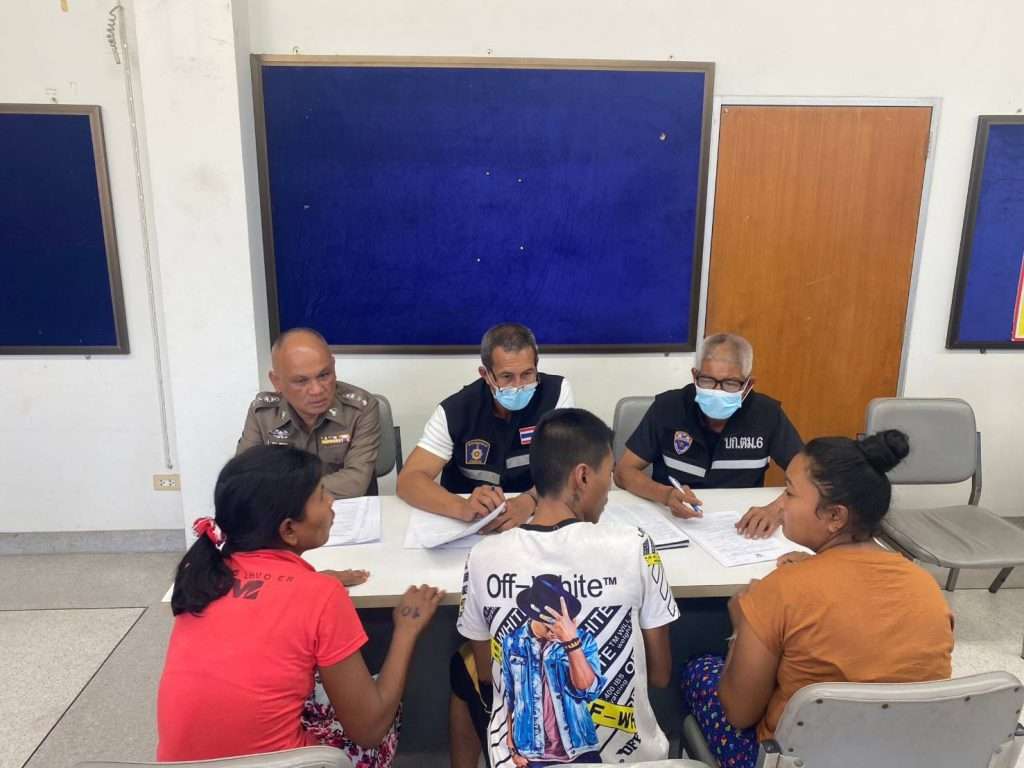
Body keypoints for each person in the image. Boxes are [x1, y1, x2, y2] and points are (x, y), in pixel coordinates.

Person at [680, 430, 954, 768]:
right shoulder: (926, 587)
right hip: (903, 756)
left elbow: (739, 713)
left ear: (835, 517)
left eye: (789, 493)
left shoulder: (779, 591)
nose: (780, 505)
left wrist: (740, 628)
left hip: (798, 759)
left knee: (700, 669)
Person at [157, 446, 444, 766]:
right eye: (321, 495)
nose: (331, 501)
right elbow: (369, 730)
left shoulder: (203, 574)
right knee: (379, 708)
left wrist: (310, 582)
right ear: (289, 530)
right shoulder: (321, 595)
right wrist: (406, 630)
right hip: (289, 763)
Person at [454, 408, 678, 768]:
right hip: (619, 761)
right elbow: (661, 674)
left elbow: (488, 678)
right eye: (609, 474)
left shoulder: (482, 556)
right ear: (583, 477)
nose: (610, 489)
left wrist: (571, 644)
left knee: (459, 666)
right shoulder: (636, 545)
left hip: (574, 752)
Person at [614, 332, 802, 539]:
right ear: (694, 376)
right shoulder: (668, 407)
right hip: (673, 523)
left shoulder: (767, 415)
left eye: (730, 383)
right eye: (707, 380)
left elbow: (808, 477)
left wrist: (776, 509)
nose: (716, 391)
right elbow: (623, 472)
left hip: (742, 529)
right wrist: (665, 495)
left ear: (748, 385)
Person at [397, 322, 574, 532]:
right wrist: (461, 507)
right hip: (472, 526)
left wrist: (530, 500)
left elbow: (568, 467)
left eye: (527, 374)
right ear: (486, 374)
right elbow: (409, 480)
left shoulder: (556, 394)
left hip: (533, 517)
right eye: (507, 377)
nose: (518, 386)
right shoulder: (456, 410)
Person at [238, 327, 381, 498]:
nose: (316, 390)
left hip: (343, 508)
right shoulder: (263, 414)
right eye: (301, 381)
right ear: (276, 382)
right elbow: (243, 479)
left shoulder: (360, 409)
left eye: (324, 375)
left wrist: (278, 490)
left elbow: (355, 483)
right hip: (285, 511)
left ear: (334, 367)